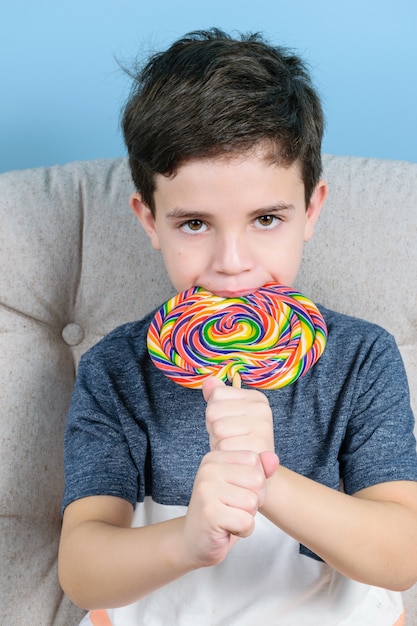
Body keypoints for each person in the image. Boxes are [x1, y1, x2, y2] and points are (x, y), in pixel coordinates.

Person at [58, 29, 417, 625]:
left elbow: (402, 555)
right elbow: (82, 566)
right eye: (195, 224)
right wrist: (186, 539)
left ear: (312, 210)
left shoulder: (361, 358)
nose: (232, 260)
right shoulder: (118, 369)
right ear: (150, 221)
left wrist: (266, 477)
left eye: (267, 219)